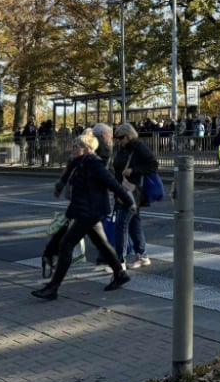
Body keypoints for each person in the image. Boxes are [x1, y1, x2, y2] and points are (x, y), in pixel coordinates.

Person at [31, 131, 135, 300]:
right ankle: (120, 274)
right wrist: (60, 185)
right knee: (101, 243)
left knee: (66, 245)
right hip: (84, 210)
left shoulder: (95, 165)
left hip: (91, 211)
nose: (72, 149)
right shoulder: (79, 163)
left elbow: (113, 184)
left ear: (87, 149)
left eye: (76, 147)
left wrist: (129, 202)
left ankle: (53, 288)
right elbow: (67, 173)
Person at [112, 123, 158, 268]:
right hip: (124, 189)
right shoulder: (124, 147)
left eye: (121, 137)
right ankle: (142, 255)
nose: (119, 140)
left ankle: (120, 260)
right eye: (117, 138)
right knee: (133, 224)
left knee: (121, 224)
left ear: (129, 135)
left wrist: (134, 170)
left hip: (133, 190)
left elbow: (153, 164)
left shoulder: (138, 147)